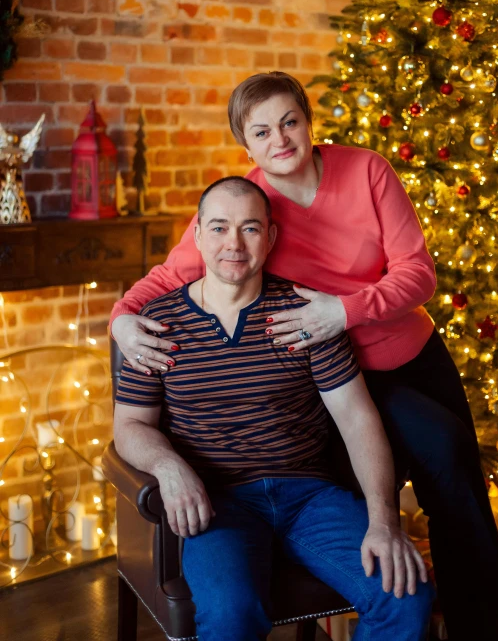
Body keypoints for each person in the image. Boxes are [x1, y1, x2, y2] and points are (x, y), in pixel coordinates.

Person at [111, 72, 498, 641]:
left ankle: (488, 624)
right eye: (261, 131)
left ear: (308, 122)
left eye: (290, 122)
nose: (279, 139)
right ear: (246, 144)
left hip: (404, 356)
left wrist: (345, 312)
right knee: (360, 492)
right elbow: (172, 275)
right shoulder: (247, 206)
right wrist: (122, 320)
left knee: (452, 467)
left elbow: (418, 273)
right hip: (334, 373)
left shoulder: (367, 170)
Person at [113, 177, 433, 641]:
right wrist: (169, 468)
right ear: (198, 235)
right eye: (219, 228)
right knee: (230, 616)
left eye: (250, 229)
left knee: (405, 595)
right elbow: (129, 425)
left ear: (271, 237)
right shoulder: (157, 325)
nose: (234, 245)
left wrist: (385, 521)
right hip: (218, 502)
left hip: (310, 497)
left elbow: (357, 417)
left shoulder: (306, 314)